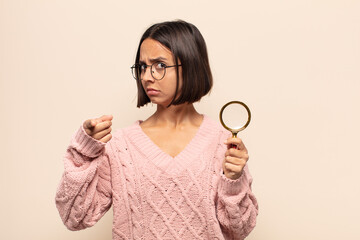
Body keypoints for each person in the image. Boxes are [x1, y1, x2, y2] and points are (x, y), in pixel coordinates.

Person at [55, 20, 258, 240]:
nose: (146, 76)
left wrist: (233, 181)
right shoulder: (120, 148)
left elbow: (239, 230)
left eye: (160, 65)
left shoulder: (223, 143)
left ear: (190, 66)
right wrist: (83, 152)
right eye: (142, 67)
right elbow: (74, 217)